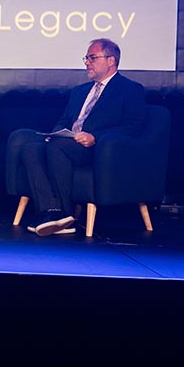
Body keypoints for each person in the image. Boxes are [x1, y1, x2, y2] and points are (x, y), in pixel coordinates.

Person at [20, 38, 146, 236]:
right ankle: (50, 211)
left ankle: (66, 215)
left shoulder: (130, 89)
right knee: (31, 149)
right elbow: (64, 120)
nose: (87, 62)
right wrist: (55, 133)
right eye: (86, 58)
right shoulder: (80, 91)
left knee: (58, 147)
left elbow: (133, 126)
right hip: (68, 142)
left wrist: (95, 136)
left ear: (111, 60)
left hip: (99, 149)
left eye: (92, 58)